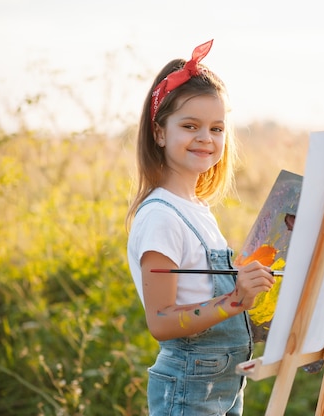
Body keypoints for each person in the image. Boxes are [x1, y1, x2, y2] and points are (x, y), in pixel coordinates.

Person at [126, 40, 275, 416]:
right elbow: (160, 321)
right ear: (160, 133)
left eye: (217, 128)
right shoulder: (162, 215)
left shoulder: (197, 209)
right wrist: (235, 300)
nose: (206, 138)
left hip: (221, 382)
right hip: (189, 384)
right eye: (190, 126)